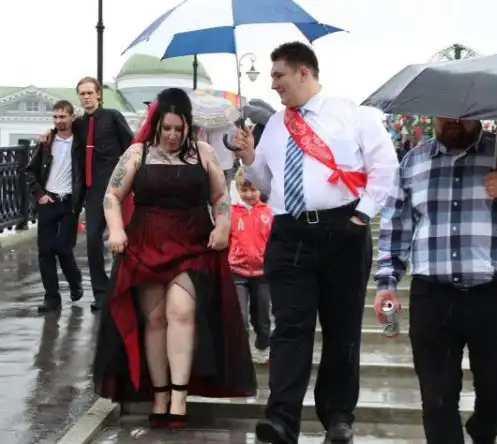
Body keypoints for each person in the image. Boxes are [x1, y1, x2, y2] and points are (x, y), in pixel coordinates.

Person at [233, 41, 398, 444]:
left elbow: (385, 166)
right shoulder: (275, 126)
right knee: (290, 327)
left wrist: (362, 215)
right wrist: (250, 158)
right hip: (289, 233)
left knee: (342, 330)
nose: (274, 84)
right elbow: (267, 185)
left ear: (303, 72)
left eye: (279, 75)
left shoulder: (352, 114)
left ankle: (338, 416)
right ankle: (281, 419)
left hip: (343, 229)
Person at [374, 118, 497, 444]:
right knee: (437, 397)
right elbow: (396, 225)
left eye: (461, 116)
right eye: (444, 114)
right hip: (432, 295)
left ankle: (483, 430)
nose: (453, 120)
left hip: (494, 294)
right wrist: (387, 283)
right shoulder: (413, 161)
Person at [92, 88, 256, 429]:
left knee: (181, 312)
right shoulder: (137, 153)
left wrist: (223, 224)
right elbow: (112, 195)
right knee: (154, 321)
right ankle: (160, 393)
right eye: (166, 128)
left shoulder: (203, 152)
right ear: (156, 124)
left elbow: (219, 195)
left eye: (178, 129)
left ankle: (179, 395)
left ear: (187, 125)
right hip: (146, 244)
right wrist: (116, 230)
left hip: (192, 243)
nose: (172, 135)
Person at [39, 76, 134, 312]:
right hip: (92, 192)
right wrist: (47, 133)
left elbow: (132, 148)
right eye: (82, 94)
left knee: (121, 240)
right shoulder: (79, 124)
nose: (86, 97)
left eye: (90, 93)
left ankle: (122, 288)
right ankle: (101, 293)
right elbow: (61, 130)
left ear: (98, 94)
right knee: (93, 241)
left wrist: (131, 181)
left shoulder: (113, 117)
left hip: (116, 190)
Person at [26, 100, 85, 313]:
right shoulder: (47, 143)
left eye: (63, 116)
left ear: (72, 117)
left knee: (62, 248)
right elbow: (30, 171)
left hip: (69, 202)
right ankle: (52, 298)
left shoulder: (80, 143)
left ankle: (75, 281)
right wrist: (40, 194)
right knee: (45, 251)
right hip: (48, 200)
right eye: (55, 117)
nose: (58, 121)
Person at [229, 167, 273, 363]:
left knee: (262, 317)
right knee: (240, 317)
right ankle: (241, 354)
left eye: (252, 189)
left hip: (262, 274)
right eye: (244, 190)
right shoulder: (232, 212)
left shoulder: (269, 212)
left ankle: (262, 346)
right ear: (237, 189)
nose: (248, 194)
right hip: (237, 272)